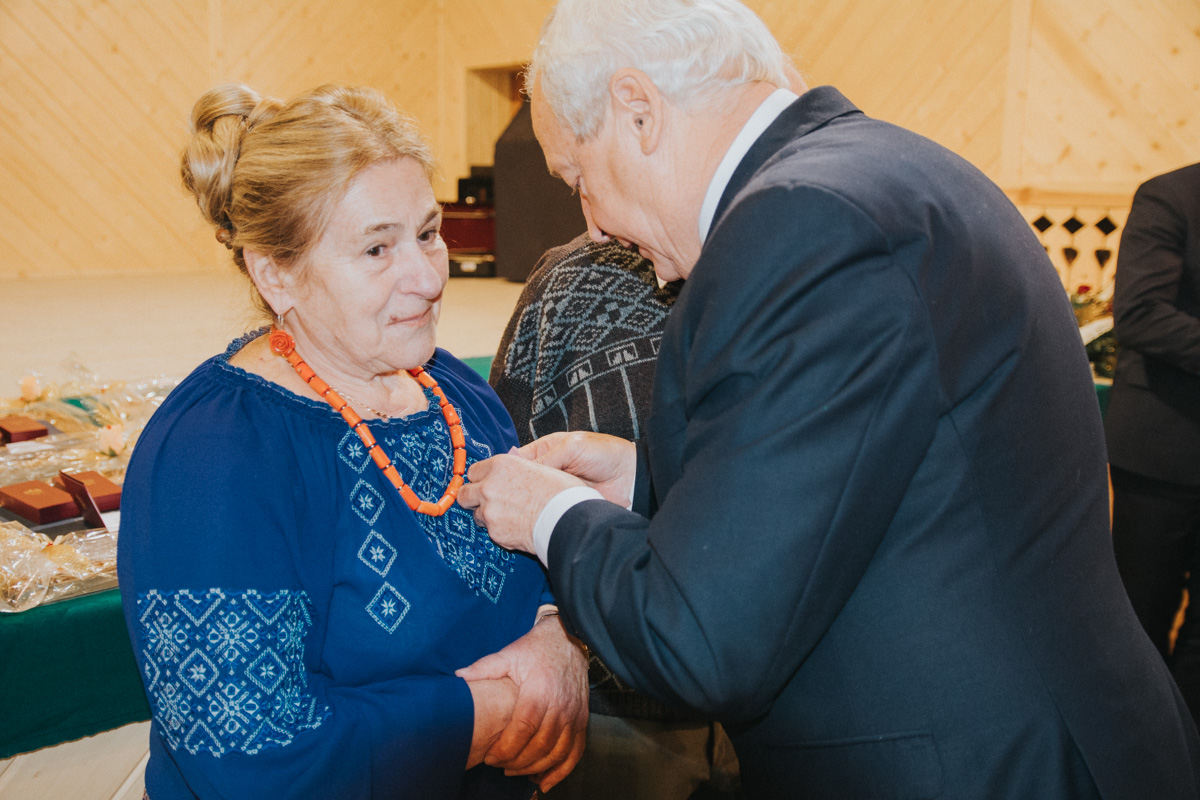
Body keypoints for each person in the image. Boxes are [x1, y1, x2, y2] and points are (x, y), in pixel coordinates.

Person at [456, 1, 1200, 797]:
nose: (595, 228)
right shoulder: (880, 169)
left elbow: (700, 642)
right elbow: (880, 484)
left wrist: (552, 515)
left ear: (638, 110)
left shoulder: (797, 225)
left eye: (578, 180)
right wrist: (644, 485)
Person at [117, 83, 587, 800]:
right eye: (376, 248)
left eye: (428, 232)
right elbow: (252, 757)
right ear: (276, 273)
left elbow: (538, 573)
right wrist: (493, 712)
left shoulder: (452, 390)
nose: (428, 277)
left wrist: (558, 637)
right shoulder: (217, 456)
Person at [489, 235, 741, 798]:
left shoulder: (788, 275)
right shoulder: (567, 282)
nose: (597, 224)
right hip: (617, 709)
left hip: (774, 707)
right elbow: (503, 489)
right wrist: (555, 629)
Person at [1105, 161, 1200, 726]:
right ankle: (1135, 749)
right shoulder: (1172, 195)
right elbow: (1139, 313)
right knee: (1140, 618)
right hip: (1162, 452)